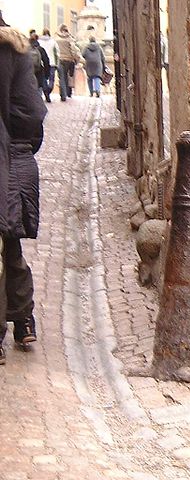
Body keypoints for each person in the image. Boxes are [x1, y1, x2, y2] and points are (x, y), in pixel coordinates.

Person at [0, 13, 47, 364]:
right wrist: (18, 145)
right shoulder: (14, 52)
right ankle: (22, 319)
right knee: (10, 242)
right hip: (12, 159)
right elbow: (31, 112)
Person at [55, 24, 81, 102]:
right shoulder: (70, 39)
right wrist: (76, 58)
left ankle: (63, 95)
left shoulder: (56, 38)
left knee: (62, 78)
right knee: (69, 76)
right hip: (69, 60)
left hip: (60, 59)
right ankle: (68, 92)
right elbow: (73, 50)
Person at [38, 28, 59, 103]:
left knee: (43, 79)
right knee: (51, 79)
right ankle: (49, 90)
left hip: (42, 63)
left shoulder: (39, 41)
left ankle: (46, 92)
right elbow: (57, 53)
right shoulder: (53, 41)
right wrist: (57, 63)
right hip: (52, 63)